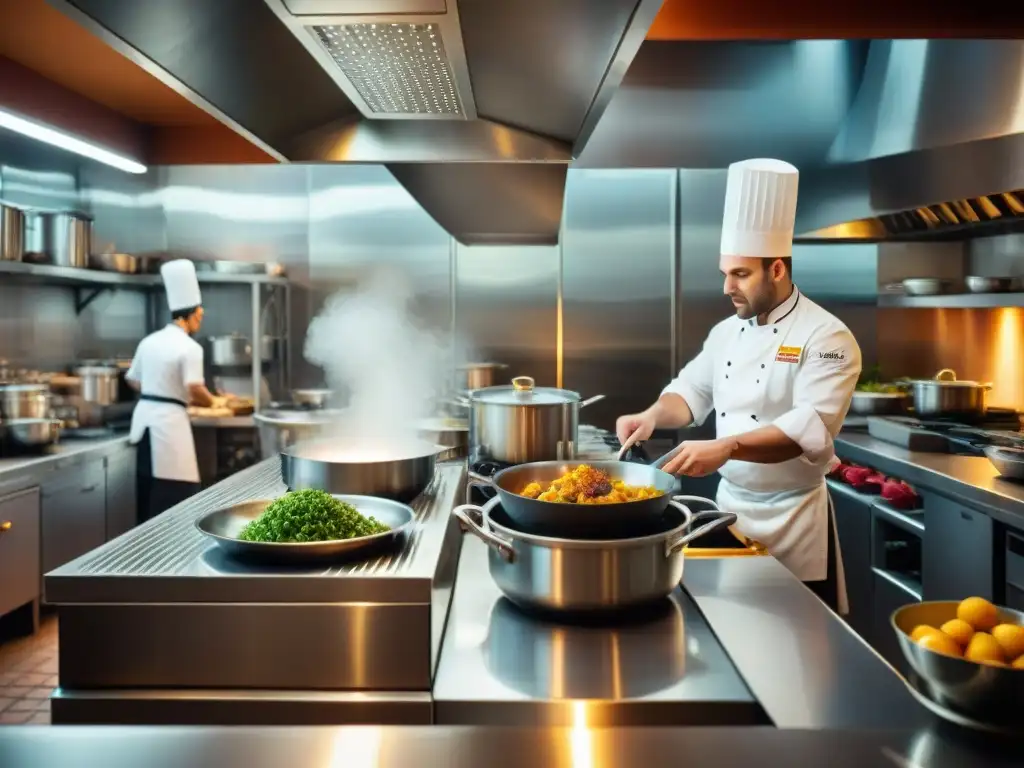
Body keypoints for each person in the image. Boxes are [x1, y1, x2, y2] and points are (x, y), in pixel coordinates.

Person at [616, 158, 862, 613]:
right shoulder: (728, 331)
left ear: (777, 270)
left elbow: (804, 430)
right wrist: (651, 416)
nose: (727, 286)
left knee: (798, 655)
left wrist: (725, 447)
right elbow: (691, 393)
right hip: (730, 513)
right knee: (738, 636)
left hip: (794, 522)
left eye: (741, 274)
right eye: (725, 273)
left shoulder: (827, 337)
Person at [126, 259, 228, 521]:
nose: (200, 322)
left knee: (146, 498)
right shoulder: (190, 347)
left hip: (143, 426)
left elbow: (133, 380)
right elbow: (195, 388)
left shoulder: (149, 341)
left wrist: (159, 390)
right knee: (175, 499)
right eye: (200, 316)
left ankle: (144, 555)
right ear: (191, 314)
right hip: (169, 428)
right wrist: (215, 402)